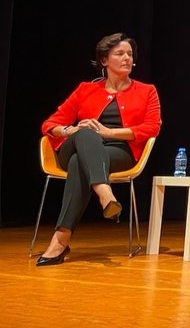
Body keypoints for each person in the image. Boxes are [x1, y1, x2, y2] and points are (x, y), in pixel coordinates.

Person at [37, 33, 162, 266]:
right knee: (85, 132)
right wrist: (69, 131)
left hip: (119, 152)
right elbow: (50, 124)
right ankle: (105, 193)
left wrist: (109, 133)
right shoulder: (85, 89)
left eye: (130, 54)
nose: (127, 58)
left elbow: (152, 127)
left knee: (79, 163)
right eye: (120, 54)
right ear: (104, 60)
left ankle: (60, 240)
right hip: (77, 144)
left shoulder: (147, 91)